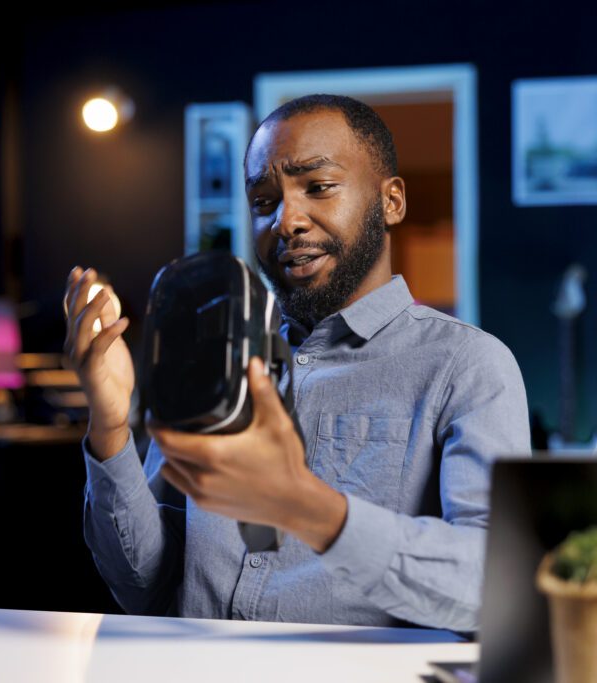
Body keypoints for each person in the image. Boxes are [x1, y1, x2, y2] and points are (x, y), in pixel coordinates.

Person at [62, 94, 530, 632]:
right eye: (264, 201)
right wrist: (111, 423)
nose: (287, 220)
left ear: (392, 201)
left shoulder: (468, 366)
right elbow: (145, 588)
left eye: (319, 186)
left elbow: (491, 585)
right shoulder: (217, 369)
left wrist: (306, 506)